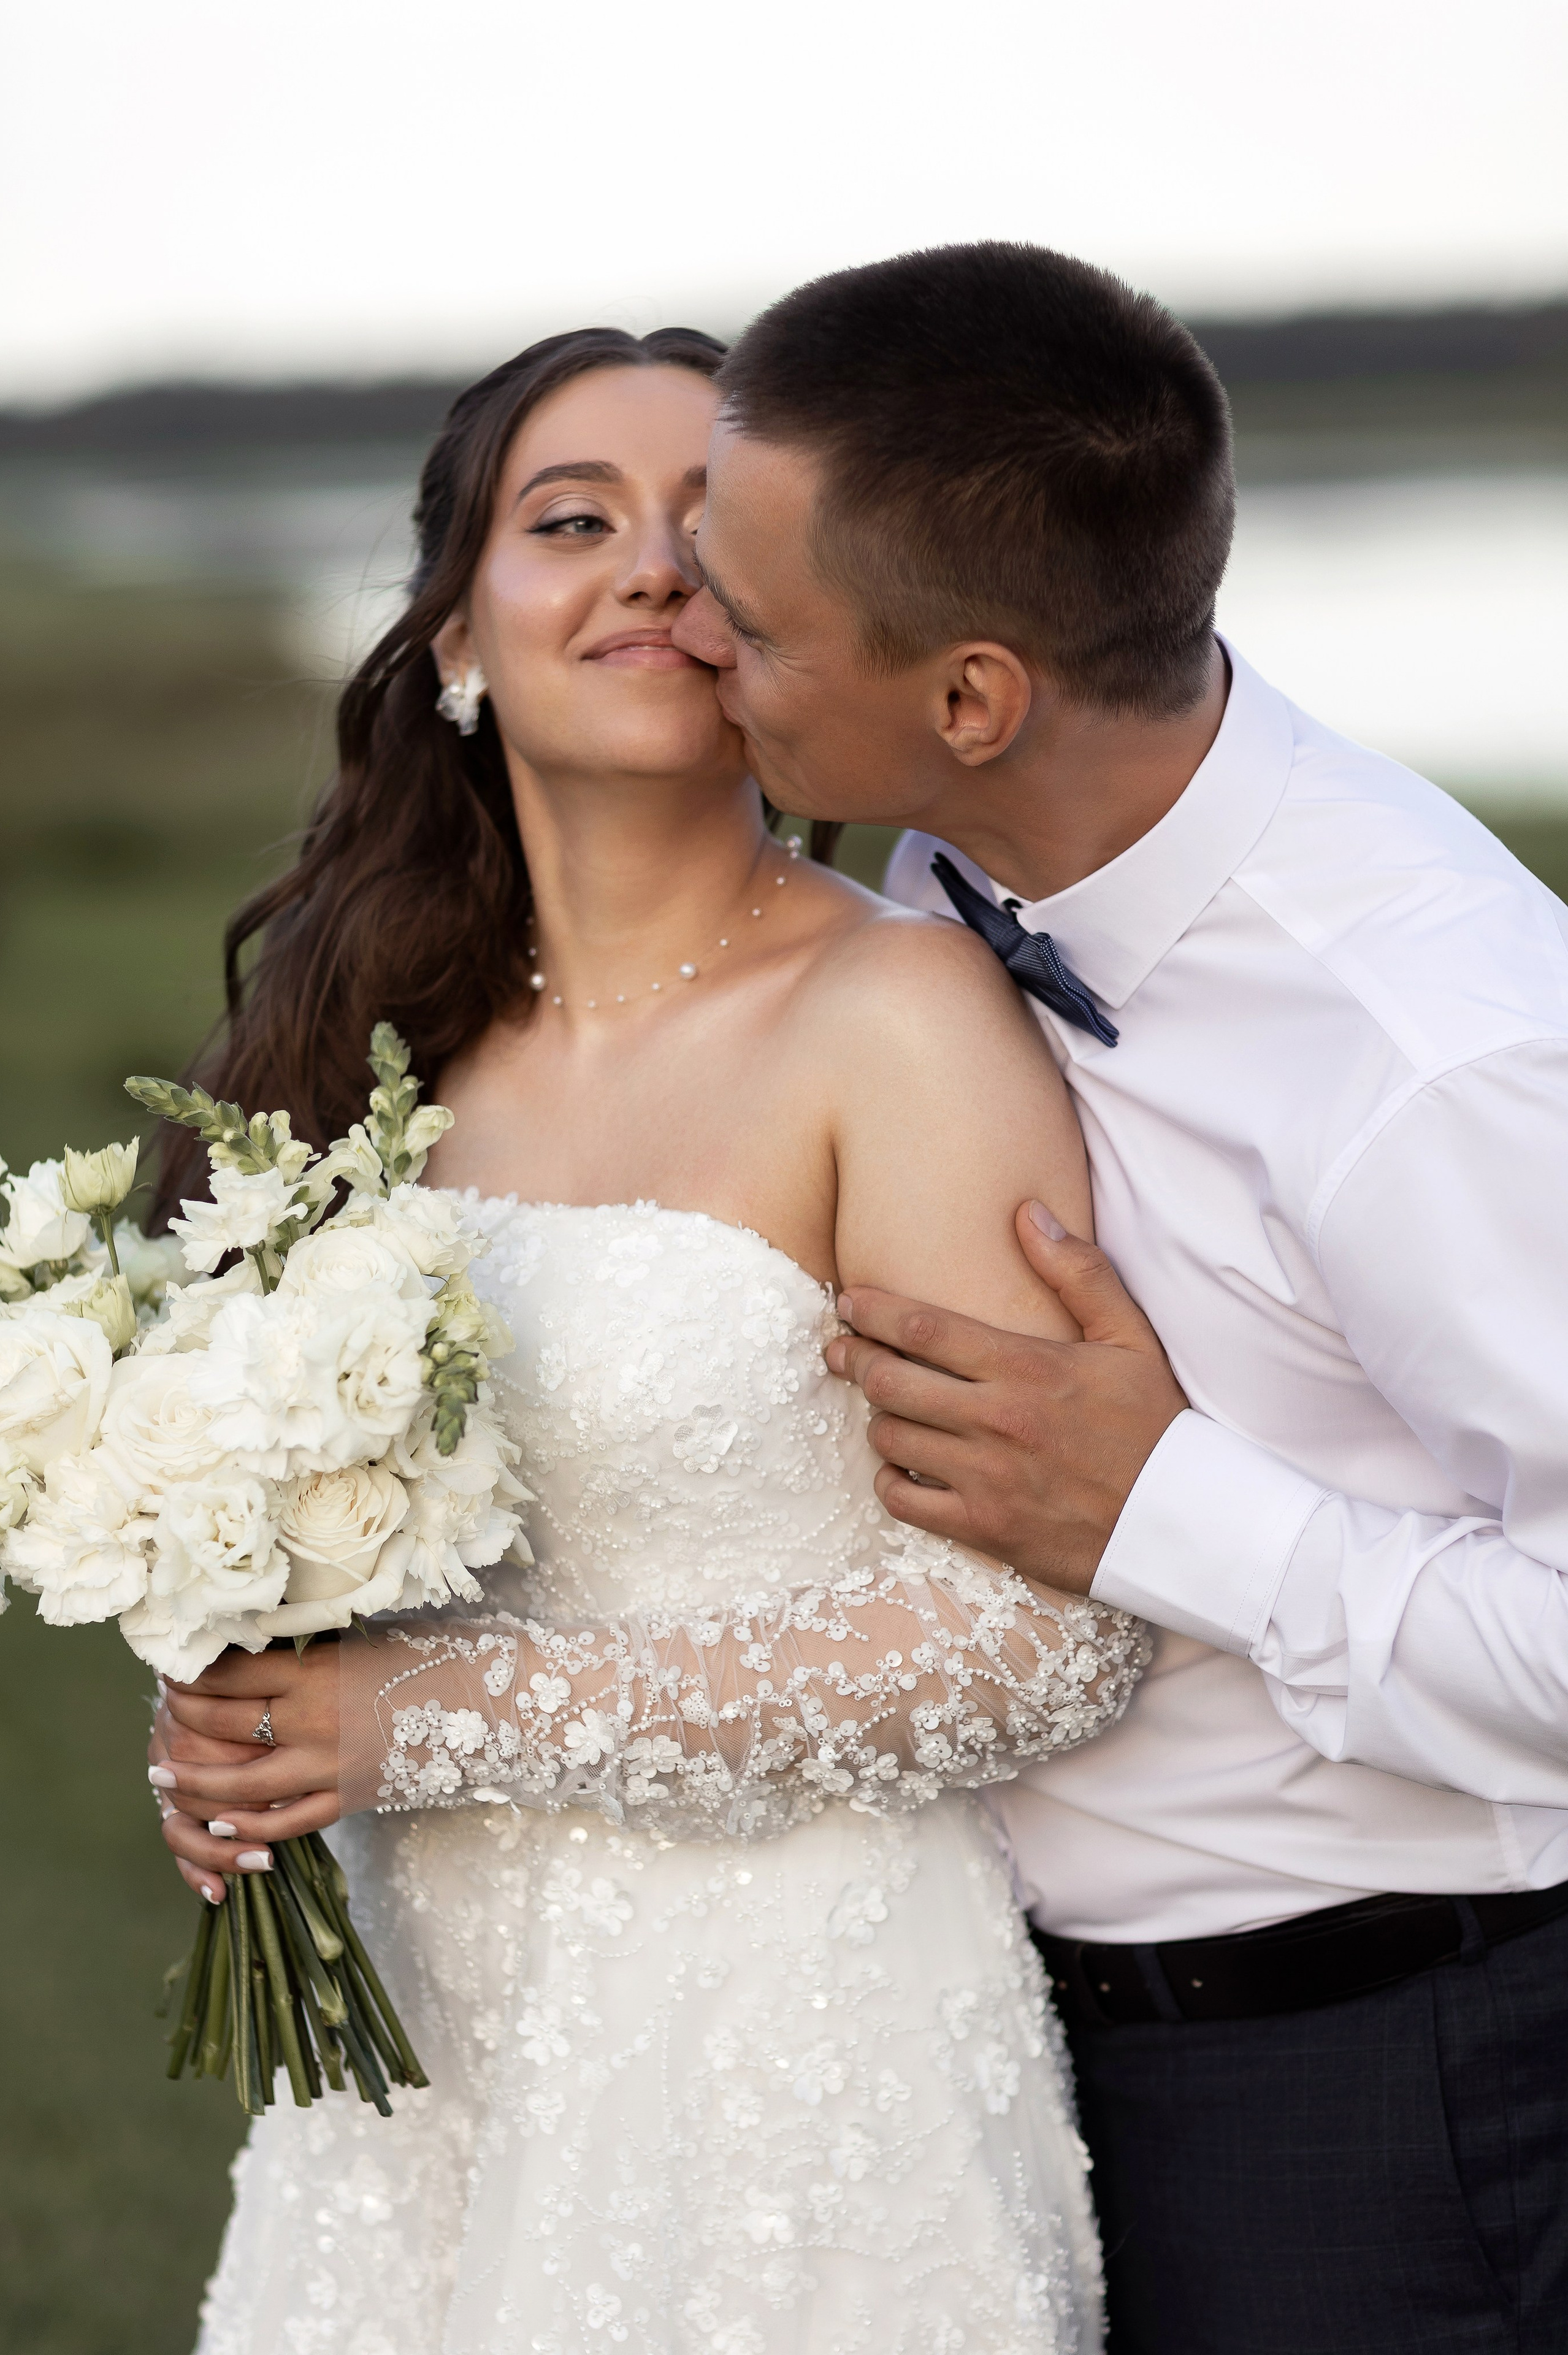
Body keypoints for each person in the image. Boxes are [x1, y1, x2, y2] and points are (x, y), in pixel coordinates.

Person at [147, 326, 1147, 2354]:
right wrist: (234, 1708)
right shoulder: (373, 1049)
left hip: (784, 2057)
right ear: (456, 630)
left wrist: (439, 1717)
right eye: (570, 521)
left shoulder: (901, 1018)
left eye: (713, 528)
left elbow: (1046, 1639)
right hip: (424, 2065)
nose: (652, 570)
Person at [668, 240, 1568, 2355]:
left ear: (973, 697)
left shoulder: (1438, 1048)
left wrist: (1173, 1508)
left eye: (750, 619)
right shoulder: (956, 848)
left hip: (1392, 2075)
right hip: (991, 2039)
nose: (693, 637)